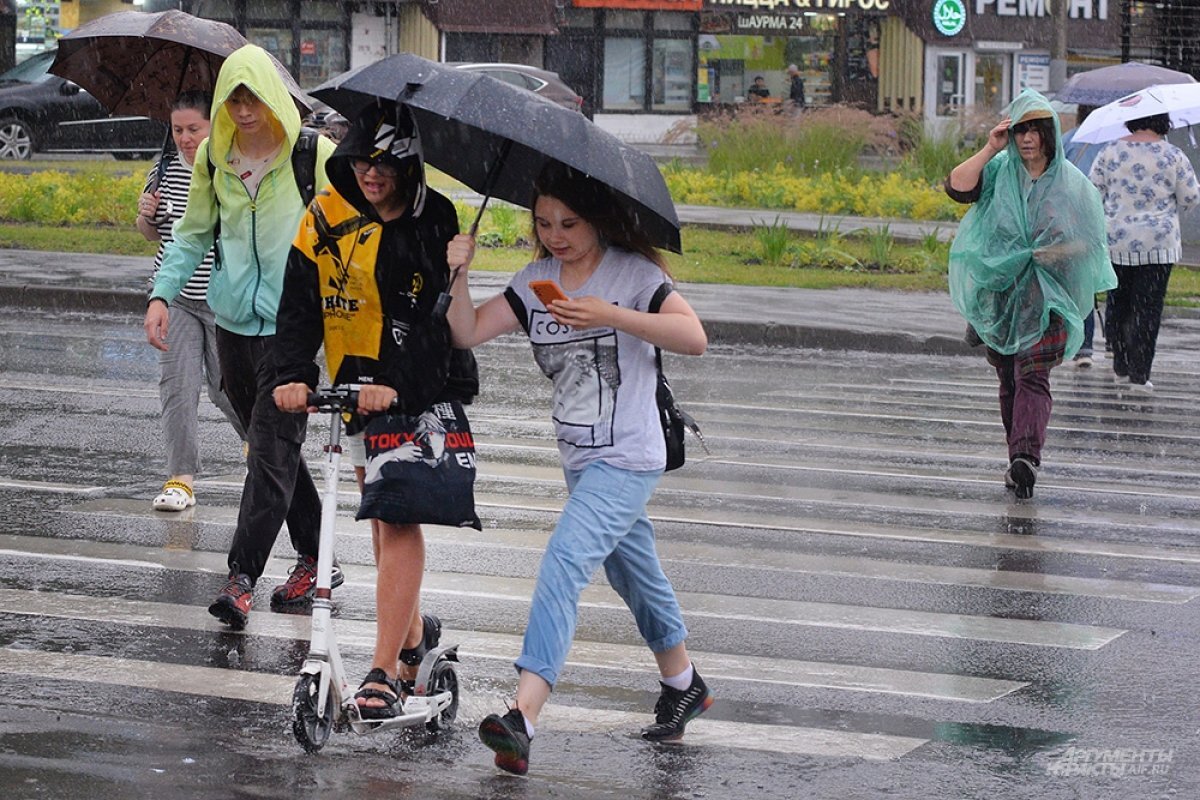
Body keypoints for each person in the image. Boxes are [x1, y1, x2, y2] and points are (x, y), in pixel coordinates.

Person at [445, 162, 711, 775]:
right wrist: (458, 273)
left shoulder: (634, 275)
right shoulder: (536, 279)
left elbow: (693, 336)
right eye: (543, 223)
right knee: (633, 573)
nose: (556, 234)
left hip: (630, 455)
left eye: (569, 222)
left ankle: (524, 715)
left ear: (595, 219)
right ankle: (684, 682)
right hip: (579, 457)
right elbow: (466, 332)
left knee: (564, 562)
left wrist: (611, 315)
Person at [273, 102, 479, 718]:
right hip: (352, 383)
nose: (371, 174)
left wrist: (390, 382)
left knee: (396, 518)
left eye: (387, 164)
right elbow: (299, 302)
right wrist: (290, 374)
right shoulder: (323, 214)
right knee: (377, 518)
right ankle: (415, 638)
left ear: (411, 164)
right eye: (363, 160)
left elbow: (435, 322)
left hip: (416, 386)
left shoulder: (434, 218)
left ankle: (384, 668)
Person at [142, 44, 338, 630]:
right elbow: (192, 232)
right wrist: (160, 293)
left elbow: (355, 227)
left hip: (295, 329)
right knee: (274, 448)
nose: (245, 109)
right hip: (232, 323)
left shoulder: (312, 155)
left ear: (273, 94)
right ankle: (315, 557)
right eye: (234, 98)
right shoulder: (214, 158)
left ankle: (241, 577)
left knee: (270, 453)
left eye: (253, 96)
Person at [945, 89, 1116, 499]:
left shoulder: (1072, 184)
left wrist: (1053, 252)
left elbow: (1089, 242)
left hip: (1049, 295)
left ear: (1050, 135)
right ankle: (1016, 455)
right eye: (1021, 130)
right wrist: (989, 148)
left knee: (1032, 374)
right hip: (1003, 292)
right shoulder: (1000, 171)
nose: (1027, 139)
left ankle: (1026, 457)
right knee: (1008, 376)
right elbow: (957, 186)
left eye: (1036, 131)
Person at [135, 91, 245, 512]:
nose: (184, 138)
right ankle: (181, 478)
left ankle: (258, 444)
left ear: (212, 126)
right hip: (175, 297)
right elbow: (151, 233)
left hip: (222, 299)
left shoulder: (227, 168)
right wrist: (147, 213)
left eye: (193, 129)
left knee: (228, 388)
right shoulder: (162, 169)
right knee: (177, 388)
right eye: (178, 129)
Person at [1088, 112, 1199, 392]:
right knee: (1147, 309)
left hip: (1117, 241)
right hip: (1158, 246)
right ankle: (1139, 374)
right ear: (1164, 122)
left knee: (1119, 302)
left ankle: (1120, 365)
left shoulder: (1110, 151)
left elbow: (1091, 190)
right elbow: (1190, 197)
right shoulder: (1172, 155)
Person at [1060, 105, 1102, 367]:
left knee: (1078, 283)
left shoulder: (1068, 139)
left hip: (1070, 218)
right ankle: (1112, 344)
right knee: (1093, 282)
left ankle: (1083, 346)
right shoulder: (1112, 142)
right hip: (1100, 218)